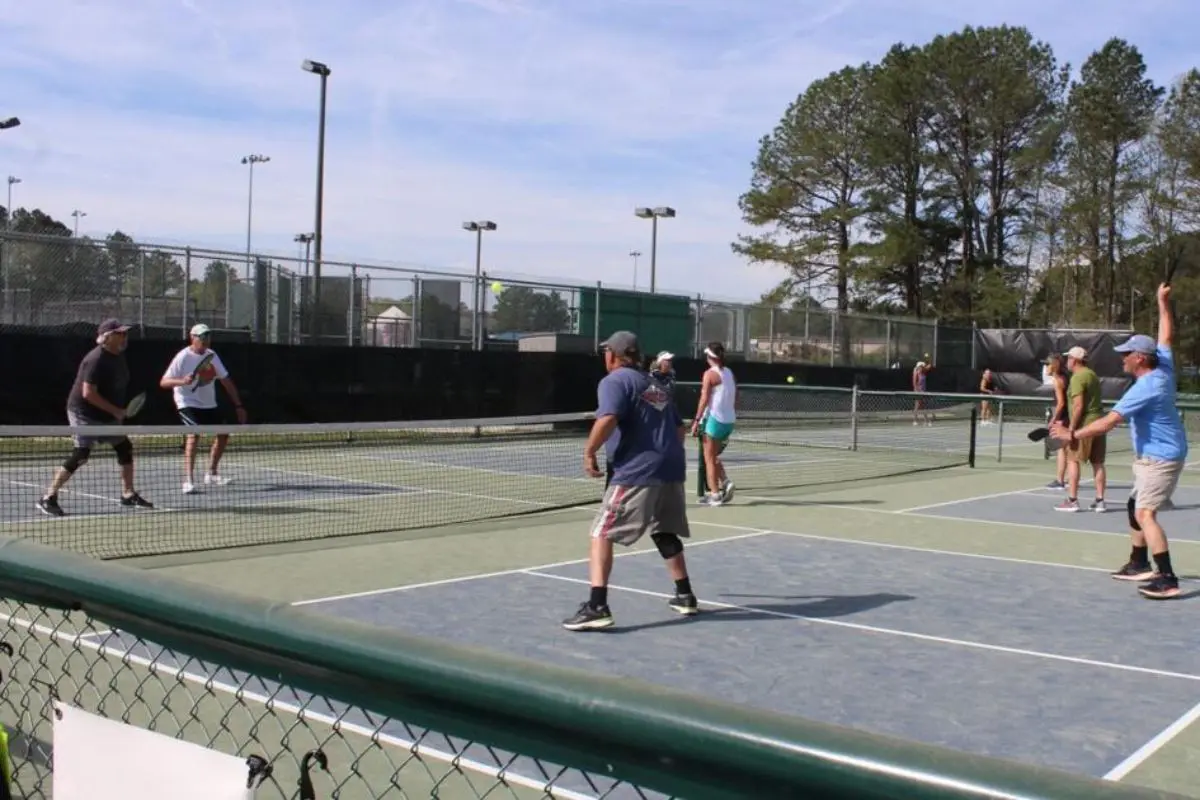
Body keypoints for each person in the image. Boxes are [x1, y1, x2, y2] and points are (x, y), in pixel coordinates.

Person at [1050, 283, 1185, 600]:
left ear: (1139, 358)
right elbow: (1165, 335)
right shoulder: (1162, 363)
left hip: (1160, 457)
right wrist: (1162, 302)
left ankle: (1167, 576)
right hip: (1156, 454)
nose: (1122, 358)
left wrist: (1072, 434)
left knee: (1145, 514)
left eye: (1126, 354)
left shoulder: (1146, 388)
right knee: (1132, 505)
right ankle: (1139, 563)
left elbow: (1109, 422)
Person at [563, 331, 696, 631]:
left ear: (613, 355)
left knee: (601, 532)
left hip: (637, 471)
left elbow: (607, 419)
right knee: (663, 531)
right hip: (671, 469)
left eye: (605, 352)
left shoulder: (614, 381)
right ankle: (685, 595)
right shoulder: (657, 384)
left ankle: (597, 606)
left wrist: (589, 452)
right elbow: (679, 430)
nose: (603, 357)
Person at [37, 319, 154, 517]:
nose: (125, 336)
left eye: (126, 333)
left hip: (107, 414)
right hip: (83, 412)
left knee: (124, 448)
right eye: (121, 333)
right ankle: (48, 497)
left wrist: (115, 412)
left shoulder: (119, 355)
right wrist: (116, 411)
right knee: (81, 454)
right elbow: (88, 393)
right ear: (107, 337)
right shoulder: (96, 359)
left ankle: (127, 494)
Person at [160, 324, 248, 494]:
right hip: (186, 401)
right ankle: (188, 481)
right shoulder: (182, 357)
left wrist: (238, 405)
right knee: (194, 434)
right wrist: (182, 381)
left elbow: (226, 381)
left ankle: (212, 473)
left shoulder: (212, 356)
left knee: (223, 433)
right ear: (192, 337)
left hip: (208, 404)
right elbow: (164, 382)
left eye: (208, 336)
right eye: (202, 337)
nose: (206, 340)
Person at [1055, 346, 1108, 513]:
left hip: (1085, 423)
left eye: (1069, 358)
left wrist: (1071, 429)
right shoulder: (1092, 375)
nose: (1067, 361)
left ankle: (1072, 500)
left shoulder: (1078, 377)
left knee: (1072, 460)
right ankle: (1100, 501)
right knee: (1098, 462)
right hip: (1099, 422)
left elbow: (1078, 406)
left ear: (1075, 360)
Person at [690, 342, 736, 506]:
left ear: (710, 357)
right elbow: (735, 397)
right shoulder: (729, 373)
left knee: (708, 458)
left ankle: (715, 495)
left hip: (715, 421)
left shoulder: (709, 374)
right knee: (713, 455)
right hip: (729, 421)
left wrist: (696, 420)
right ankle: (725, 482)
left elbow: (704, 399)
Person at [1044, 355, 1069, 490]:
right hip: (1070, 416)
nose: (1046, 367)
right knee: (1069, 449)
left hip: (1063, 417)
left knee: (1061, 449)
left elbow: (1061, 403)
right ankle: (1069, 478)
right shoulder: (1066, 377)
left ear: (1054, 365)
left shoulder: (1057, 380)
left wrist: (1054, 419)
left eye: (1047, 364)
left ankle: (1060, 481)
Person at [912, 361, 932, 426]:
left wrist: (929, 360)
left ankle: (923, 421)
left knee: (921, 406)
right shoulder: (916, 372)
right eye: (922, 366)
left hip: (923, 392)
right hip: (918, 392)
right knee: (919, 406)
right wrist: (918, 391)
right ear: (919, 367)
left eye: (923, 367)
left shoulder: (923, 372)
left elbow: (929, 366)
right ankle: (924, 420)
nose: (923, 367)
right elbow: (914, 383)